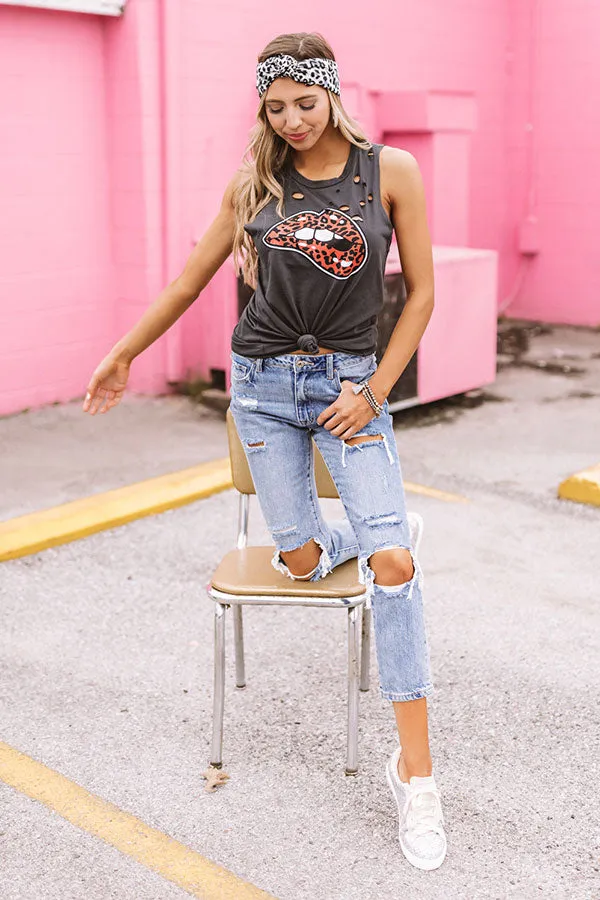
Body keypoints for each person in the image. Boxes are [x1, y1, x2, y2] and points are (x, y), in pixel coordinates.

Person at [82, 31, 447, 871]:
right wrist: (125, 351)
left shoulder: (388, 172)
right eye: (274, 107)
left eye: (304, 103)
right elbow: (187, 281)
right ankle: (362, 531)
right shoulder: (256, 182)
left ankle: (417, 775)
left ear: (333, 96)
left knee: (391, 564)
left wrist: (376, 390)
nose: (290, 120)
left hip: (353, 388)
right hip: (264, 394)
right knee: (301, 558)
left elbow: (422, 293)